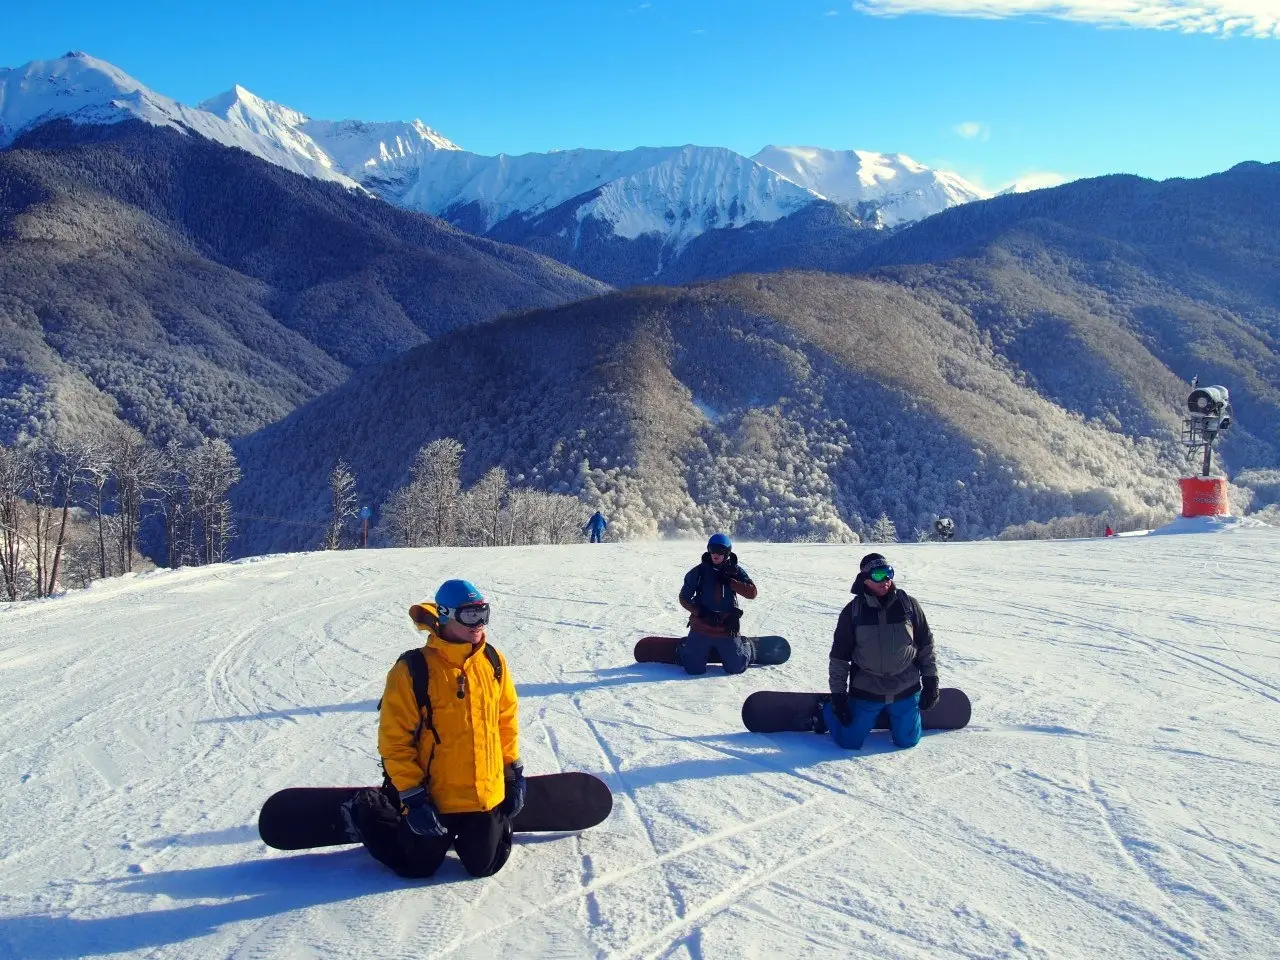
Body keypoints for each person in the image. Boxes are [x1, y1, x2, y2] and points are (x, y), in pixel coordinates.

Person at [343, 579, 524, 879]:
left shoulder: (492, 661)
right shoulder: (413, 669)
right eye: (469, 615)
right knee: (416, 866)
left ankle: (485, 827)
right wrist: (413, 798)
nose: (478, 624)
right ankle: (367, 807)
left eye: (483, 613)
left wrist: (512, 771)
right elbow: (394, 741)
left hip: (482, 794)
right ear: (445, 614)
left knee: (486, 866)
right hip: (434, 797)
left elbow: (506, 721)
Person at [818, 553, 938, 750]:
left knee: (907, 742)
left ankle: (896, 716)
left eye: (889, 573)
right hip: (868, 689)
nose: (886, 580)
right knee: (850, 742)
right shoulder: (852, 612)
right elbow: (839, 657)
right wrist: (838, 696)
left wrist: (931, 680)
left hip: (905, 687)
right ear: (865, 579)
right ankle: (826, 710)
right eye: (878, 575)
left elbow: (925, 644)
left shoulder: (908, 605)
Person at [676, 533, 758, 675]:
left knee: (735, 668)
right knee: (693, 669)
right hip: (702, 624)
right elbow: (684, 598)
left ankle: (745, 645)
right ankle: (686, 646)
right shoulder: (699, 572)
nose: (716, 554)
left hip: (726, 626)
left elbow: (752, 593)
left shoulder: (735, 571)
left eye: (720, 551)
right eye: (713, 549)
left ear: (727, 553)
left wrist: (730, 581)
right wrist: (700, 612)